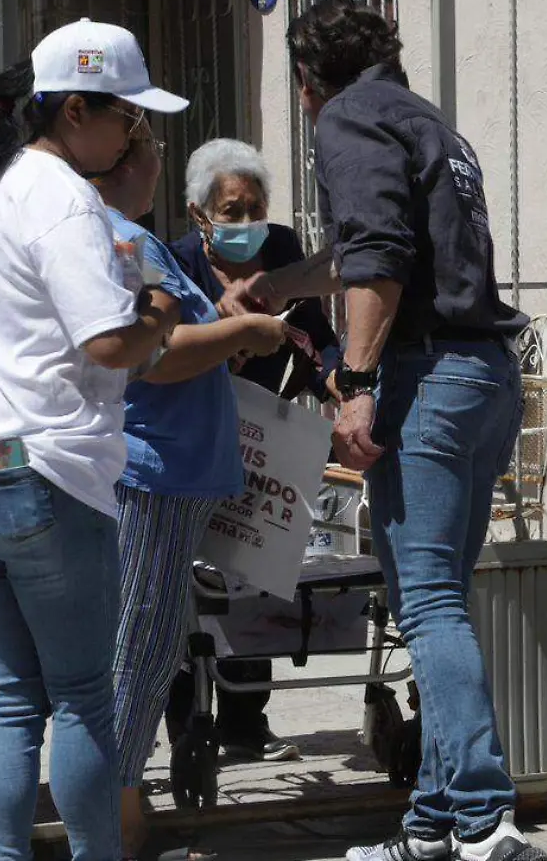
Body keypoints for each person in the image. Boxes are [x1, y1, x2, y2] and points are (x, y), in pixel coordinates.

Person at [220, 0, 543, 861]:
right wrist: (277, 285)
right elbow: (369, 248)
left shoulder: (348, 118)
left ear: (304, 81)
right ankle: (434, 821)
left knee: (429, 602)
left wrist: (355, 386)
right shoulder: (423, 119)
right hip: (482, 375)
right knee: (430, 599)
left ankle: (481, 818)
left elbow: (380, 261)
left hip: (427, 374)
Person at [0, 19, 187, 861]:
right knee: (86, 699)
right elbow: (108, 343)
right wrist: (159, 313)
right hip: (47, 476)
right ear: (75, 110)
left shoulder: (12, 184)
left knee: (16, 699)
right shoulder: (62, 199)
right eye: (128, 117)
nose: (136, 135)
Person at [85, 131, 291, 858]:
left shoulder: (135, 241)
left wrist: (226, 322)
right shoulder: (122, 241)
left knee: (147, 648)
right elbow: (155, 359)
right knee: (137, 652)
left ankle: (123, 819)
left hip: (175, 475)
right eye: (153, 157)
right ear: (124, 164)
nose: (159, 172)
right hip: (155, 475)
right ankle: (116, 830)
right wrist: (247, 329)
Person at [163, 137, 346, 764]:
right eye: (233, 210)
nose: (248, 224)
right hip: (193, 435)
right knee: (187, 584)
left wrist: (341, 388)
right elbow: (167, 348)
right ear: (200, 214)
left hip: (264, 436)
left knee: (254, 567)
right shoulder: (175, 261)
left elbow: (315, 336)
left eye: (257, 208)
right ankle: (187, 718)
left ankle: (246, 720)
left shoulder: (285, 253)